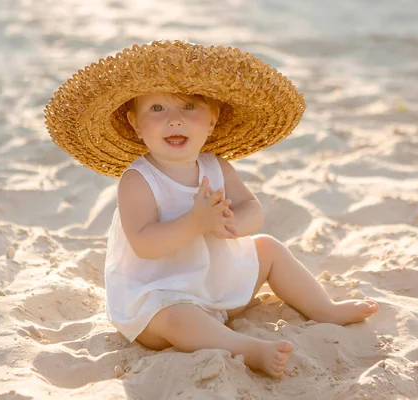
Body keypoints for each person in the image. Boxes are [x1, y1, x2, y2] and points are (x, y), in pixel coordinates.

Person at [45, 40, 379, 378]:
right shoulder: (138, 179)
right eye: (157, 109)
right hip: (158, 295)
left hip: (214, 281)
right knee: (178, 318)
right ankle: (246, 349)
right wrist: (195, 222)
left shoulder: (215, 166)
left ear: (212, 119)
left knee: (268, 248)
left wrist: (230, 223)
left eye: (189, 107)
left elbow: (253, 208)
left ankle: (324, 308)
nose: (174, 120)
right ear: (134, 124)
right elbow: (145, 244)